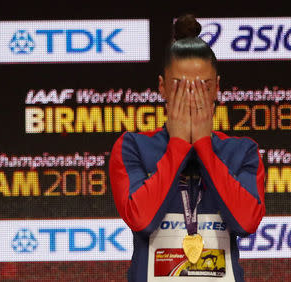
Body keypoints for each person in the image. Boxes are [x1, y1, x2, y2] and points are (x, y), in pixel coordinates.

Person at [109, 14, 265, 282]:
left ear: (217, 88)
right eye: (180, 86)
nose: (192, 95)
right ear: (162, 88)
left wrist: (204, 144)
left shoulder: (242, 151)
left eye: (203, 85)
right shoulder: (132, 146)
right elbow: (142, 221)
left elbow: (246, 222)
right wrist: (179, 144)